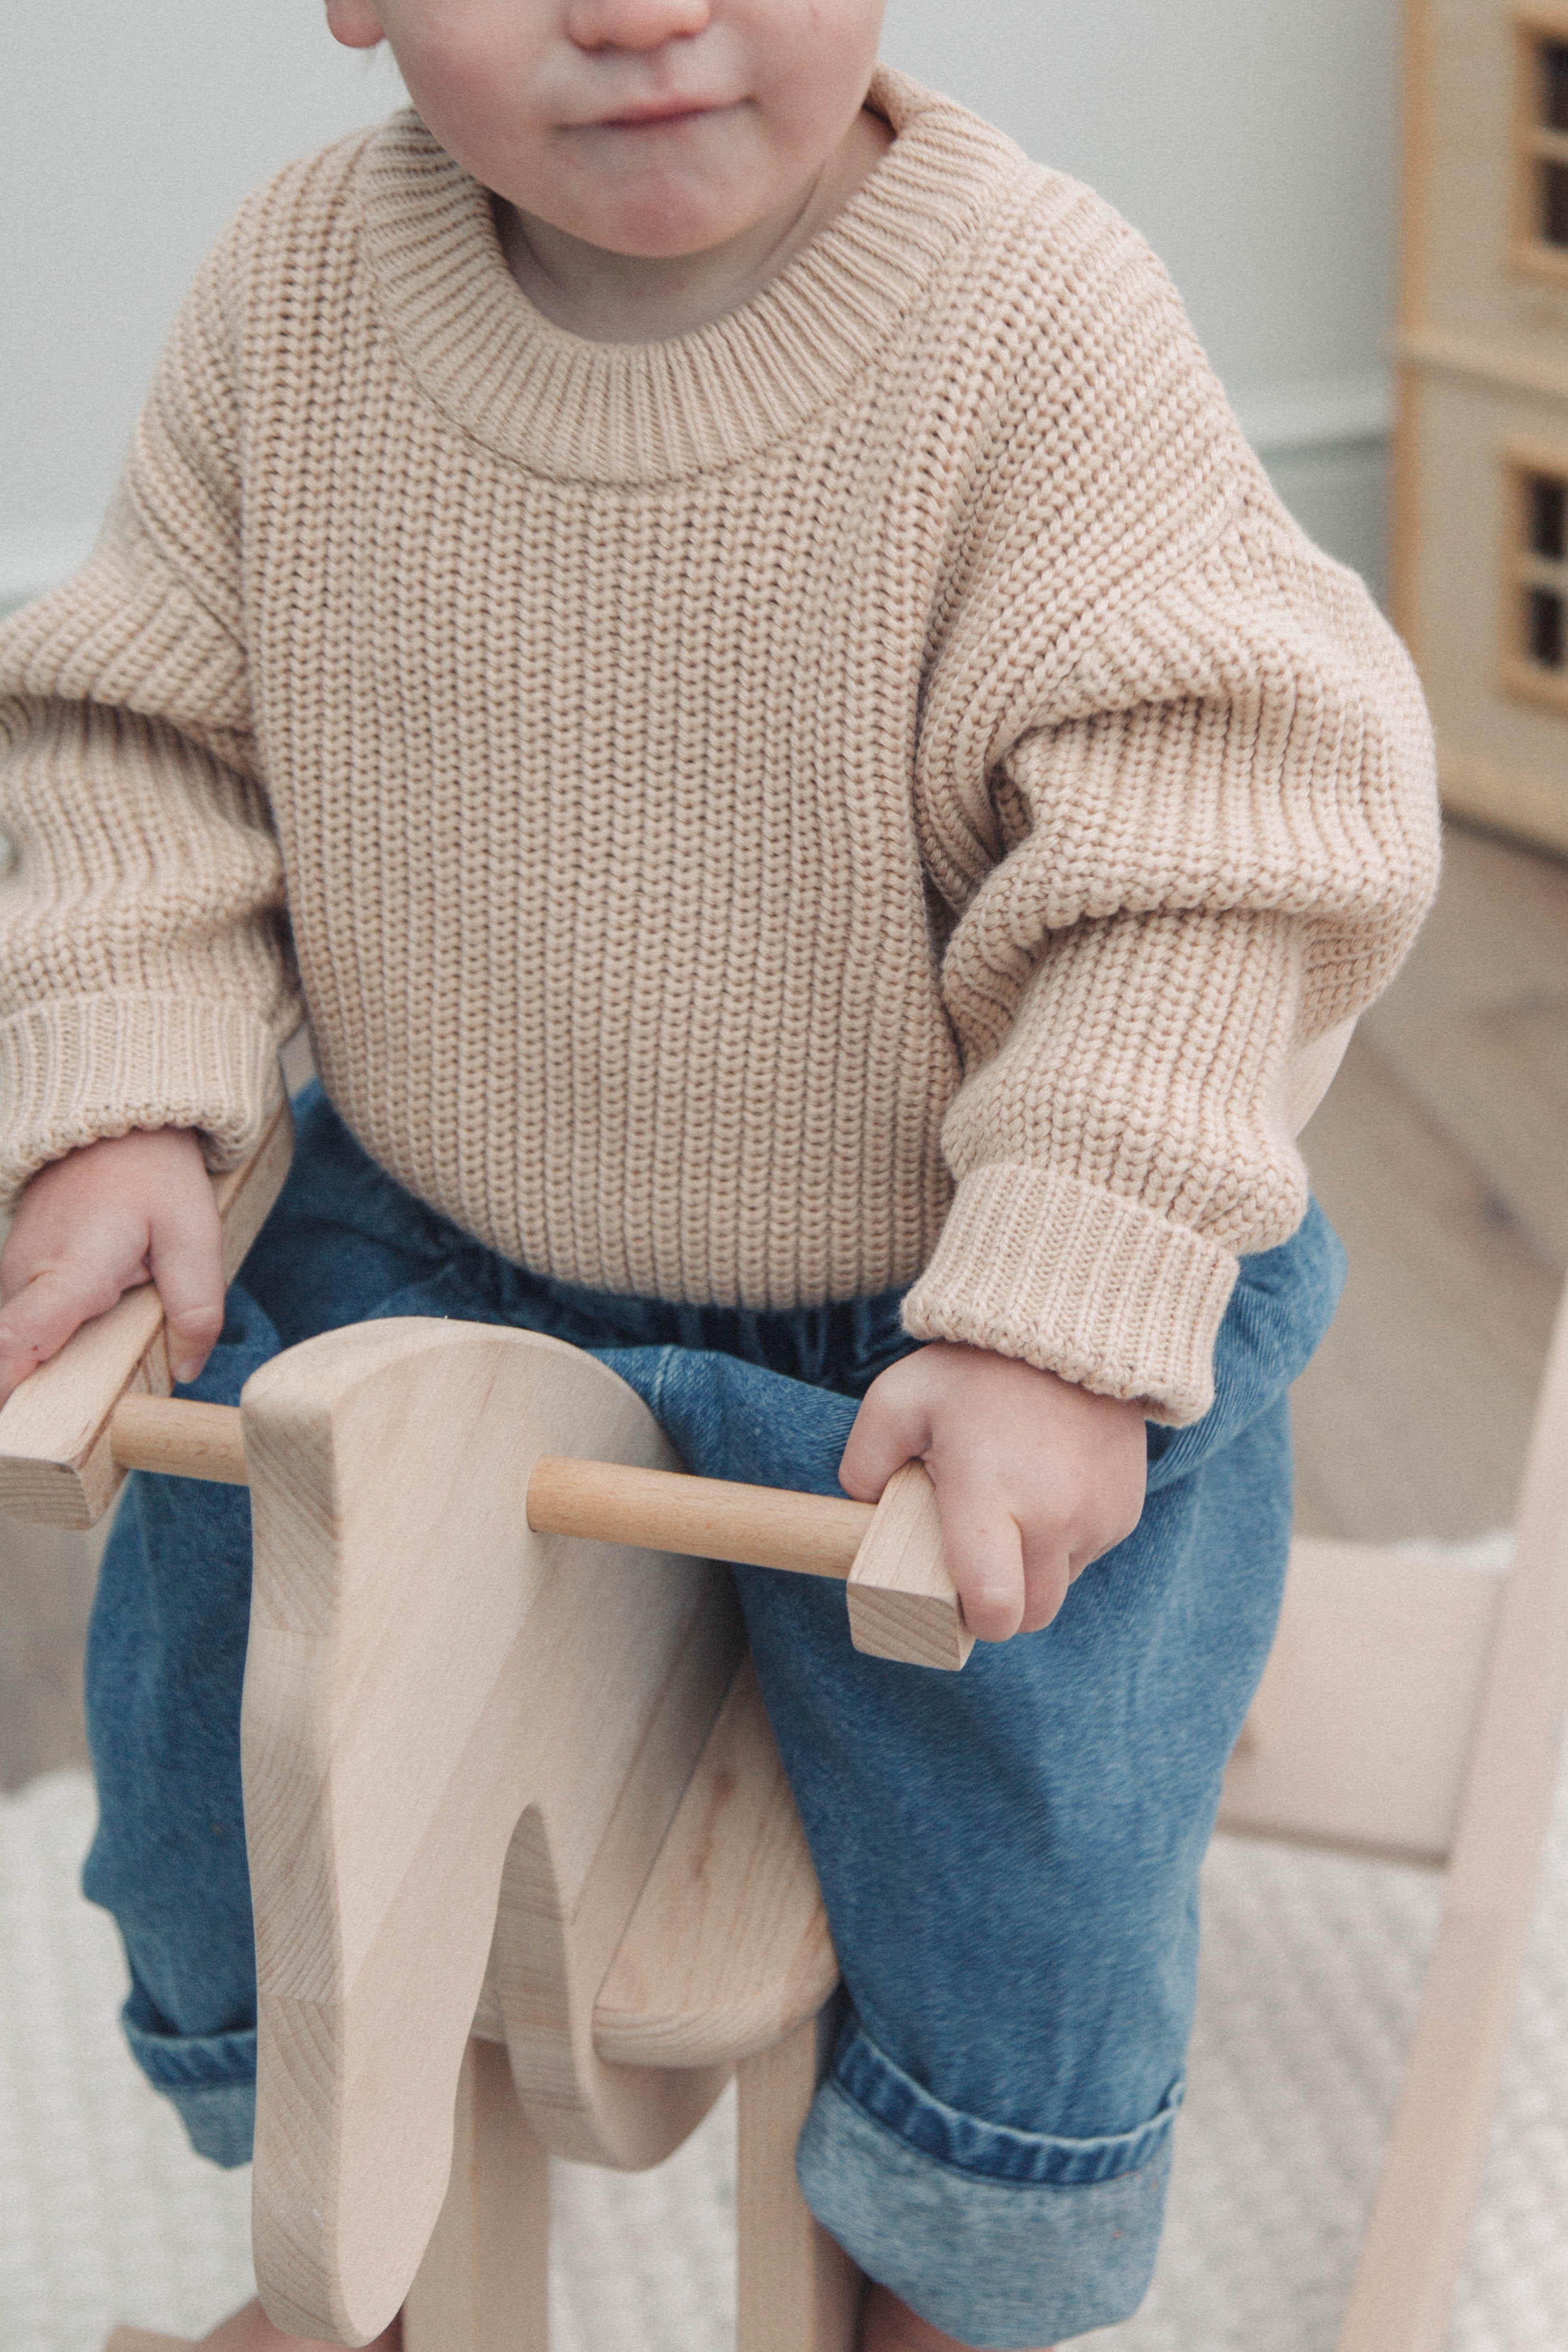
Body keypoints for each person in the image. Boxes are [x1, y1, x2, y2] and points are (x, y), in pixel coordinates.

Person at [0, 3, 1439, 2347]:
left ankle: (956, 2240)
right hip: (452, 1228)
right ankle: (349, 2220)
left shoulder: (1031, 319)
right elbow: (150, 740)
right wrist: (136, 1085)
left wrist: (1064, 1293)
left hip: (939, 1293)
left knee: (1028, 1807)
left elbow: (1221, 849)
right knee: (247, 1650)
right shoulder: (289, 298)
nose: (643, 8)